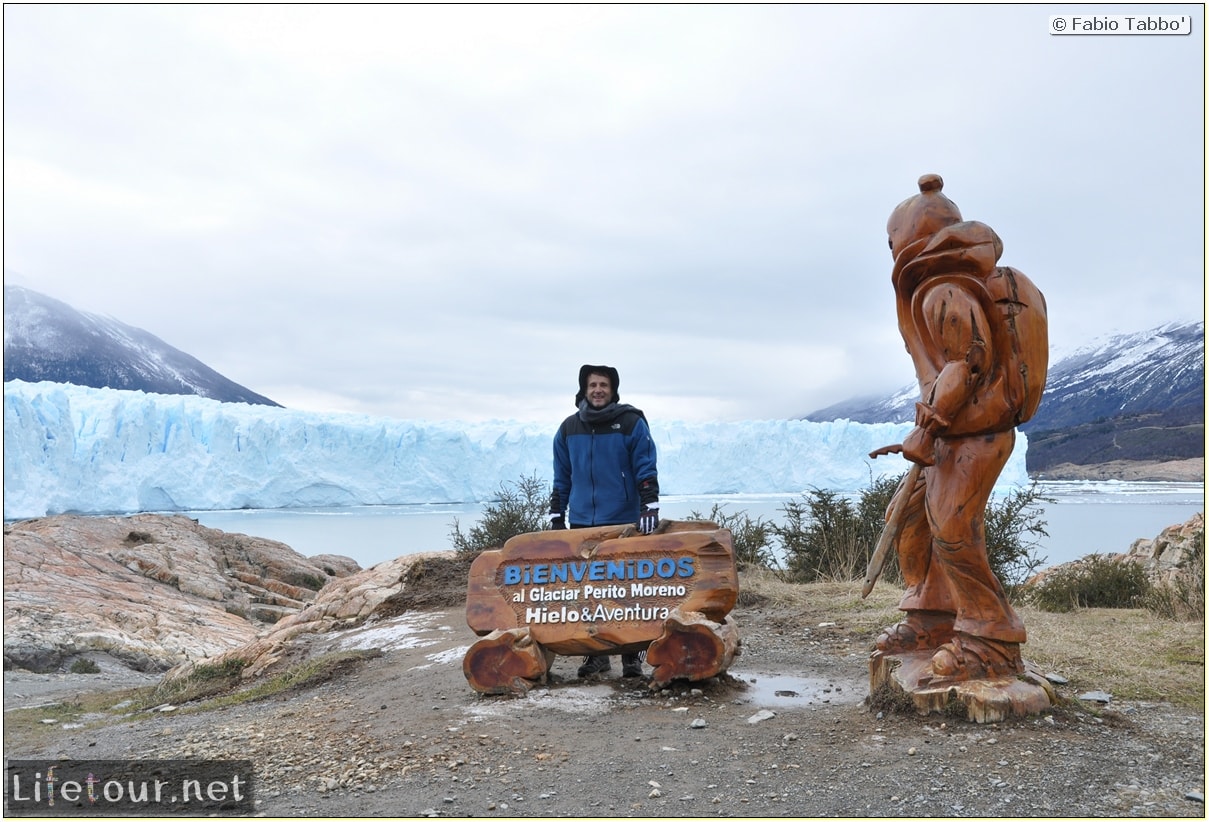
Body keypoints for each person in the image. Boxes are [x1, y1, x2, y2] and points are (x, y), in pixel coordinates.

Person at [875, 173, 1048, 683]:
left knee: (952, 531)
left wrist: (928, 428)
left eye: (891, 240)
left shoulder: (940, 288)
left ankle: (989, 637)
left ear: (904, 237)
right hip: (954, 431)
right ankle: (930, 617)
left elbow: (968, 362)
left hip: (975, 433)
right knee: (909, 518)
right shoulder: (942, 281)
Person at [549, 364, 660, 678]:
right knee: (588, 592)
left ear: (613, 390)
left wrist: (649, 505)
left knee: (627, 591)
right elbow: (562, 477)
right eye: (592, 385)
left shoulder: (630, 423)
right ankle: (596, 655)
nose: (598, 390)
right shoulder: (569, 429)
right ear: (584, 389)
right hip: (583, 523)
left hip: (623, 521)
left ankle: (631, 656)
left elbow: (645, 465)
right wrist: (558, 515)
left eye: (604, 385)